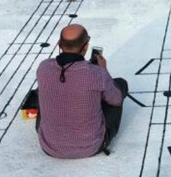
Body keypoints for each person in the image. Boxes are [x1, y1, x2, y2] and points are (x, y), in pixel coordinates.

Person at [35, 24, 128, 159]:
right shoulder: (96, 73)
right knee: (120, 85)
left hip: (49, 147)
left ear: (59, 45)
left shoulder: (43, 68)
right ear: (85, 46)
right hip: (90, 147)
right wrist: (103, 71)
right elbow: (116, 100)